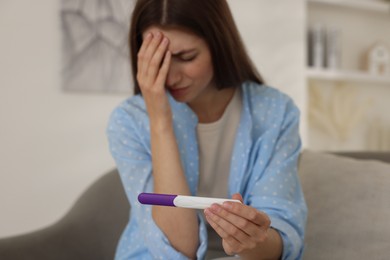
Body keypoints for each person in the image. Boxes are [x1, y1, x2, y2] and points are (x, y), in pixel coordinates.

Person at [106, 0, 307, 259]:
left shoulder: (275, 112)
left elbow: (281, 239)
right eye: (157, 60)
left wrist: (249, 240)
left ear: (219, 44)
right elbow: (180, 248)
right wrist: (160, 121)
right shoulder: (130, 120)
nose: (171, 77)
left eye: (186, 57)